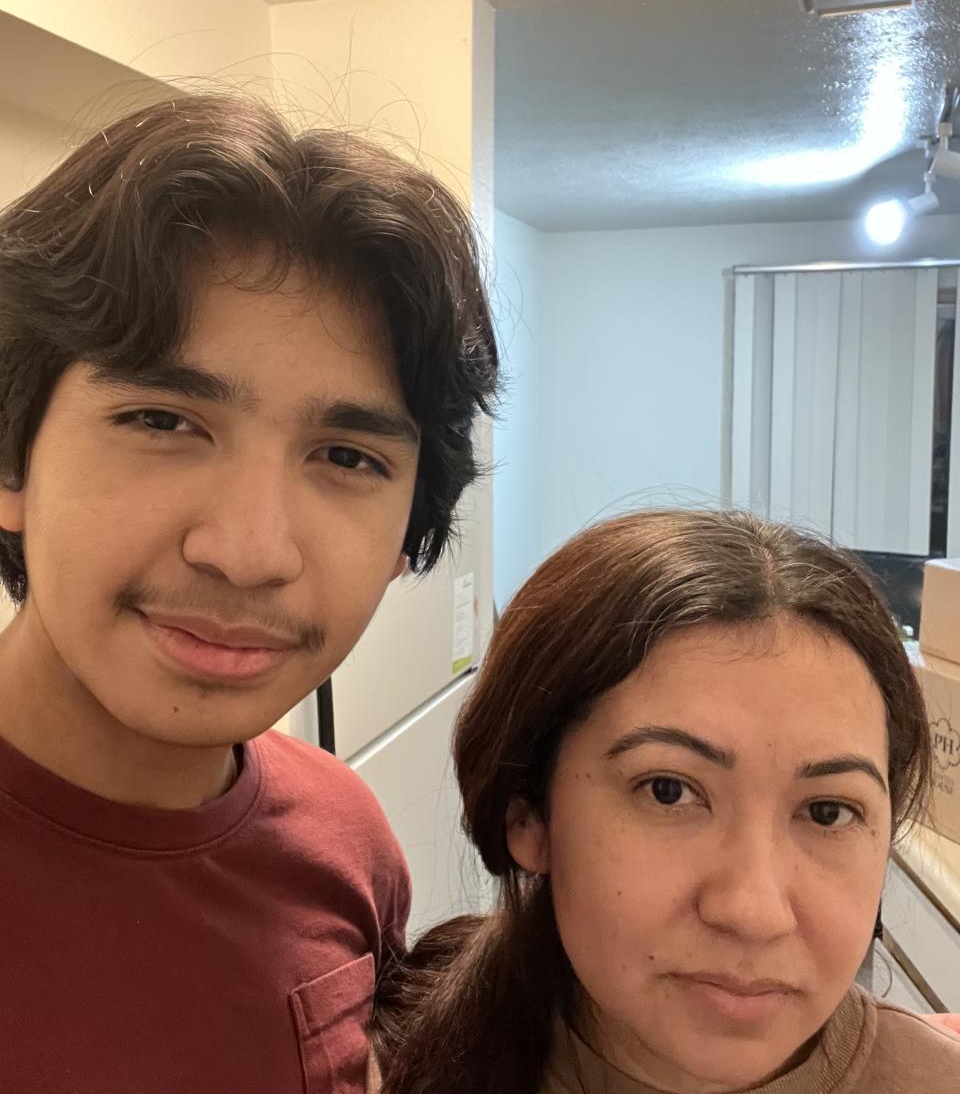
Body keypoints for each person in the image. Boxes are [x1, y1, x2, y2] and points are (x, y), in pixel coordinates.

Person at [0, 94, 498, 1093]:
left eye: (347, 456)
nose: (249, 552)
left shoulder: (347, 839)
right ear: (12, 461)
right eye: (162, 420)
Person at [373, 509, 960, 1094]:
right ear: (526, 815)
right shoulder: (382, 1061)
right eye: (668, 791)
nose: (754, 913)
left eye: (828, 812)